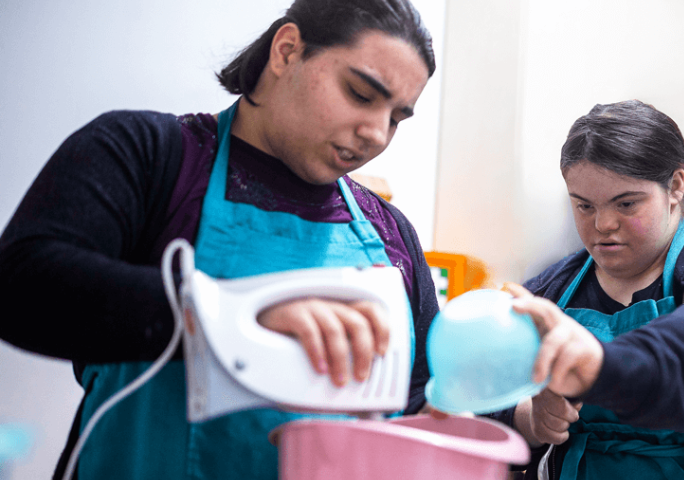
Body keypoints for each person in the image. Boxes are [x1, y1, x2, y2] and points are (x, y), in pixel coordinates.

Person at [0, 1, 439, 479]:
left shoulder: (391, 233)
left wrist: (520, 404)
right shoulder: (152, 156)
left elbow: (419, 399)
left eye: (396, 118)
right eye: (359, 94)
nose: (376, 134)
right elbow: (22, 284)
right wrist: (226, 318)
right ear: (286, 51)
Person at [492, 100, 684, 479]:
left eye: (626, 203)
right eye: (583, 206)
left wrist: (596, 367)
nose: (603, 224)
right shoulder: (550, 292)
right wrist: (530, 420)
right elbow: (482, 403)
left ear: (676, 186)